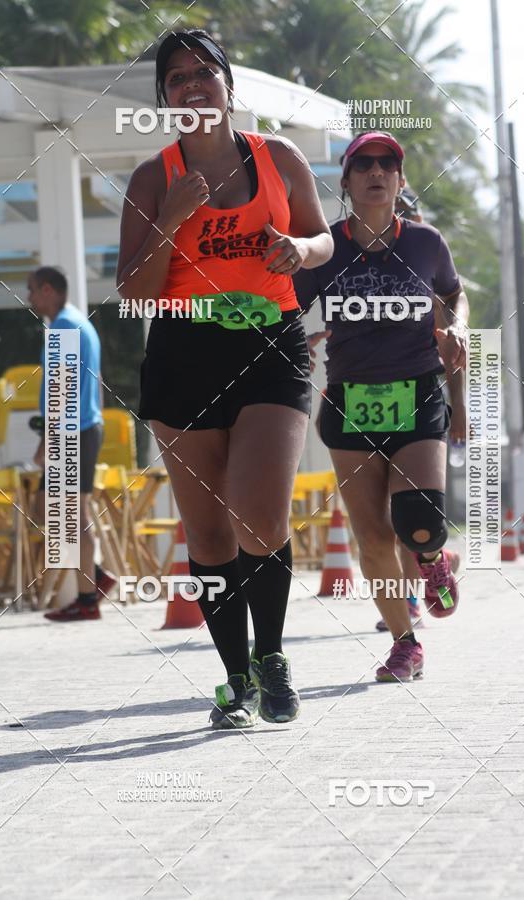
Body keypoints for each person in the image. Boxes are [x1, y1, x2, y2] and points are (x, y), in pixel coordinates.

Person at [117, 30, 333, 728]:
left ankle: (271, 658)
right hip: (183, 356)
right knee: (208, 538)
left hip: (270, 346)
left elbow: (323, 237)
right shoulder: (154, 178)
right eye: (176, 77)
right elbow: (136, 292)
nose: (192, 84)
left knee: (259, 514)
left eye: (204, 71)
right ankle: (233, 678)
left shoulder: (281, 157)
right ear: (165, 98)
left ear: (227, 84)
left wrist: (299, 248)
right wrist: (172, 221)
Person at [294, 132, 469, 683]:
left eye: (387, 165)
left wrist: (458, 327)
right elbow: (285, 305)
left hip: (416, 391)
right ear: (345, 181)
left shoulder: (425, 243)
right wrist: (295, 342)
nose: (376, 172)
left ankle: (433, 554)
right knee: (371, 537)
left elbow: (454, 293)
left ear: (399, 179)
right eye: (363, 164)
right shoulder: (326, 247)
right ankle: (404, 643)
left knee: (416, 524)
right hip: (349, 401)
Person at [373, 182, 464, 633]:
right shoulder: (368, 271)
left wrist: (460, 410)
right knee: (381, 522)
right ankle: (424, 575)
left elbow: (454, 354)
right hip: (365, 407)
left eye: (408, 215)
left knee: (408, 517)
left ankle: (411, 597)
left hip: (421, 405)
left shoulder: (429, 275)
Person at [27, 266, 113, 622]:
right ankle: (95, 579)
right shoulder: (80, 322)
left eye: (31, 290)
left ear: (48, 289)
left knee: (68, 517)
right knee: (54, 512)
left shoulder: (64, 326)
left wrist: (48, 442)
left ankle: (87, 598)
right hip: (83, 428)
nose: (29, 297)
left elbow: (60, 391)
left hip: (72, 432)